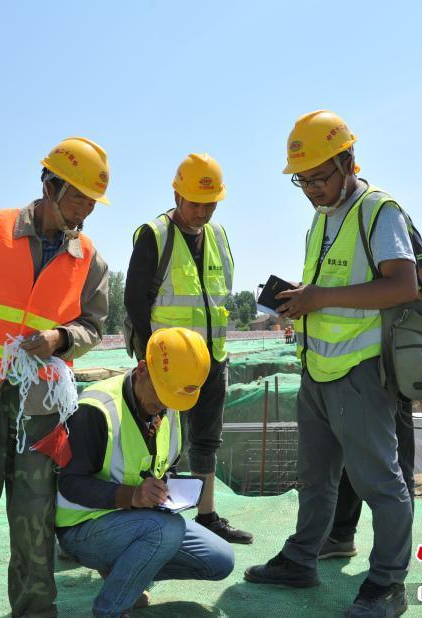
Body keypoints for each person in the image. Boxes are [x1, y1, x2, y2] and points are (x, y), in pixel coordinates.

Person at [0, 136, 111, 617]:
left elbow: (94, 326)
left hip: (42, 411)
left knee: (34, 524)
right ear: (51, 186)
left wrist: (59, 339)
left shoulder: (90, 258)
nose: (84, 214)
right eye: (78, 200)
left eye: (92, 204)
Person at [245, 110, 417, 618]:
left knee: (381, 483)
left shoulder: (378, 211)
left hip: (361, 373)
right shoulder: (320, 219)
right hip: (317, 370)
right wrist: (300, 303)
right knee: (315, 477)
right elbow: (328, 294)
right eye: (303, 181)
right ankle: (302, 559)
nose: (312, 189)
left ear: (348, 162)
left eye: (320, 177)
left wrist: (319, 298)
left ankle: (387, 584)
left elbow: (404, 285)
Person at [56, 327, 235, 617]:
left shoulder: (170, 403)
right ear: (141, 369)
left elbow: (165, 464)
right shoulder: (97, 408)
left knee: (219, 560)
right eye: (160, 394)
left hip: (140, 521)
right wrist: (134, 495)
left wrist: (166, 489)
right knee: (166, 530)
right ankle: (110, 610)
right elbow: (71, 484)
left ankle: (124, 576)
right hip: (83, 529)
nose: (164, 406)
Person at [124, 153, 252, 545]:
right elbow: (134, 302)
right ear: (177, 195)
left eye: (209, 203)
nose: (201, 211)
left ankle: (207, 516)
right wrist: (150, 361)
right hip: (168, 366)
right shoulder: (155, 235)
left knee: (207, 440)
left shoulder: (218, 237)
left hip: (212, 359)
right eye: (194, 202)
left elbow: (217, 298)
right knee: (162, 443)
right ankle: (160, 518)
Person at [320, 220, 422, 561]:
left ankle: (393, 555)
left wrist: (373, 301)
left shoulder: (386, 220)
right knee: (354, 451)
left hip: (386, 359)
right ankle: (341, 534)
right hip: (351, 361)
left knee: (394, 460)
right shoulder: (335, 226)